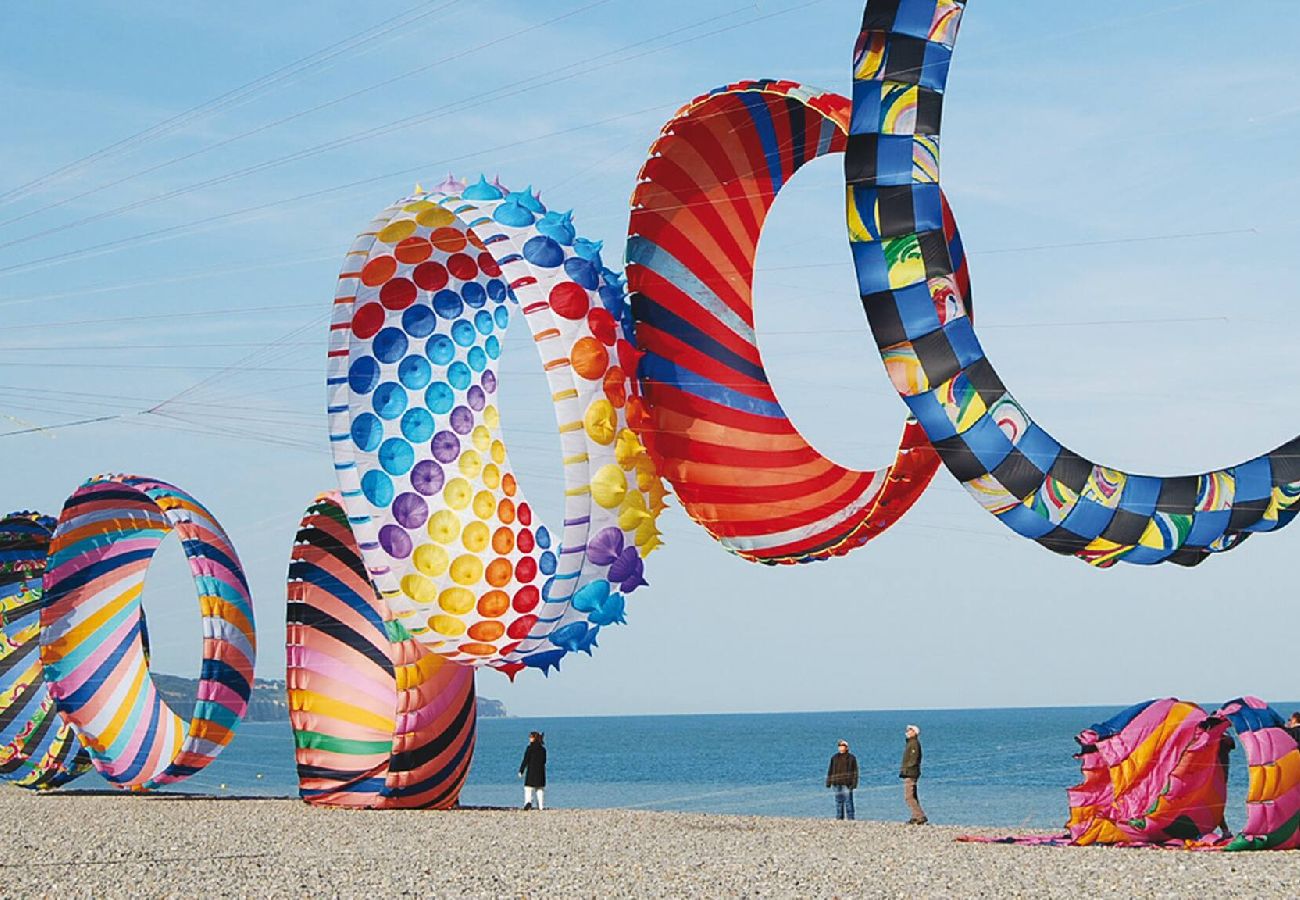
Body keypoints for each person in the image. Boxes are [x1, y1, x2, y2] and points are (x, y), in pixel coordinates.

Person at [900, 724, 928, 825]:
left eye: (910, 730)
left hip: (911, 773)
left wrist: (906, 769)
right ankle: (915, 816)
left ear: (914, 732)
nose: (907, 732)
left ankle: (920, 816)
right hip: (910, 772)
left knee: (909, 796)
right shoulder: (910, 743)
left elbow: (913, 760)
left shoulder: (914, 744)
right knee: (913, 795)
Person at [825, 739, 859, 820]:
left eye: (843, 746)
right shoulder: (834, 757)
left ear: (847, 747)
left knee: (848, 802)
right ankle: (839, 818)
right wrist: (828, 782)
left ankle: (851, 818)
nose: (841, 748)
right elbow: (830, 770)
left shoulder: (851, 758)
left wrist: (854, 784)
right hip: (836, 783)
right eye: (840, 746)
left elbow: (855, 772)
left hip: (847, 783)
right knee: (838, 802)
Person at [518, 731, 546, 810]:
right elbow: (544, 761)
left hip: (531, 771)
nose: (529, 738)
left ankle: (528, 802)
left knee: (528, 788)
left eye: (531, 737)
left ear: (534, 738)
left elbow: (525, 760)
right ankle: (541, 806)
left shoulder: (530, 748)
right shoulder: (543, 749)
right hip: (541, 771)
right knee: (540, 789)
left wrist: (521, 770)